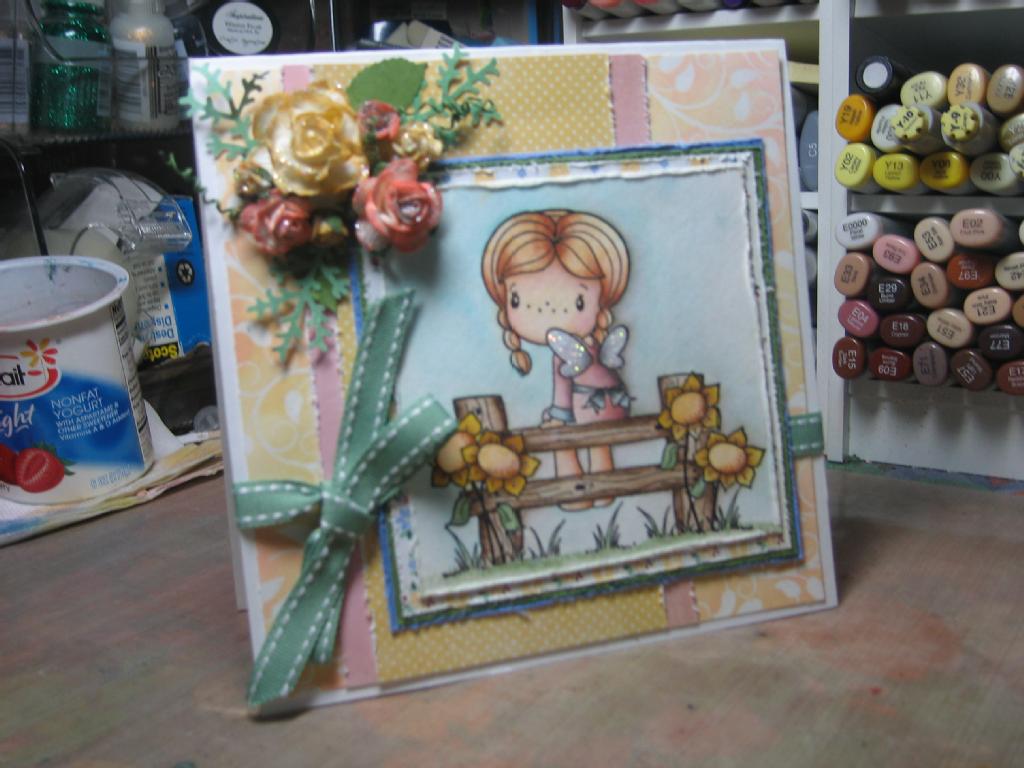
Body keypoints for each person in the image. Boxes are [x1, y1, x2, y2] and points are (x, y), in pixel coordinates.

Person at [481, 210, 632, 509]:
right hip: (615, 405)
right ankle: (605, 492)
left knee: (560, 437)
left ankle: (574, 498)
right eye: (519, 300)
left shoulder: (564, 354)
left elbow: (563, 396)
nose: (545, 309)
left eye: (578, 301)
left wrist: (558, 419)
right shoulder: (595, 348)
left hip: (589, 409)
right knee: (599, 445)